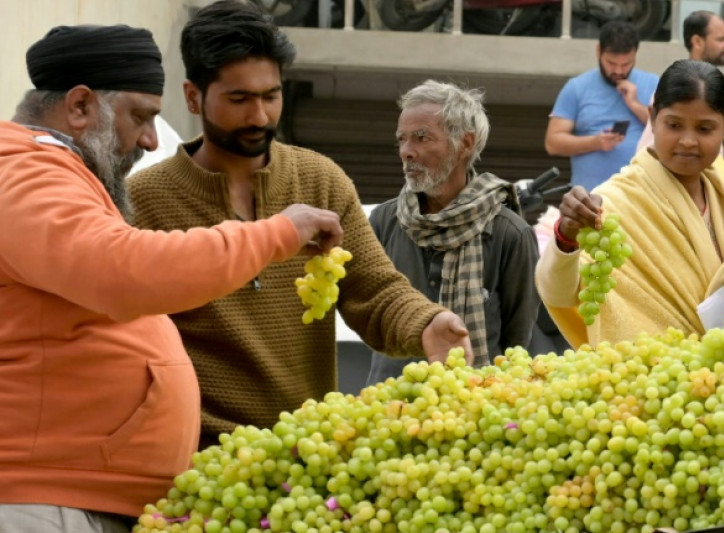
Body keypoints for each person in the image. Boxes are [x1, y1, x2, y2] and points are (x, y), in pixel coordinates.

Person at [0, 24, 347, 531]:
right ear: (79, 107)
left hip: (80, 497)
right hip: (51, 500)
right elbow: (122, 271)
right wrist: (276, 235)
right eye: (140, 117)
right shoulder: (25, 172)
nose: (148, 139)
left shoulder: (51, 174)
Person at [128, 0, 473, 450]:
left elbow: (374, 289)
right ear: (193, 96)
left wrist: (427, 323)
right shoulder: (144, 201)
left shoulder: (319, 179)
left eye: (271, 96)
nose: (259, 116)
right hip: (193, 455)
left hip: (304, 450)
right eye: (239, 99)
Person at [536, 60, 724, 348]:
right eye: (674, 125)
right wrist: (567, 236)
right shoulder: (612, 203)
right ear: (653, 119)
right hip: (649, 380)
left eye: (704, 129)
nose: (688, 141)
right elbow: (557, 293)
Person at [365, 80, 540, 385]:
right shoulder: (384, 221)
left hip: (474, 407)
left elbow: (517, 343)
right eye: (402, 140)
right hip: (389, 402)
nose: (407, 151)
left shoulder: (509, 234)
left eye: (421, 138)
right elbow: (368, 309)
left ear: (466, 143)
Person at [544, 20, 659, 191]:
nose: (619, 71)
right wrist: (595, 143)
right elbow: (553, 143)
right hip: (588, 200)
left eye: (626, 64)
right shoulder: (576, 87)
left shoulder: (654, 83)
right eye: (611, 63)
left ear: (635, 54)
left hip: (642, 198)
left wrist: (635, 105)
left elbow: (666, 130)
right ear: (599, 51)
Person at [637, 10, 724, 196]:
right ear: (698, 41)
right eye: (720, 39)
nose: (688, 141)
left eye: (705, 128)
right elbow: (649, 155)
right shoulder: (669, 91)